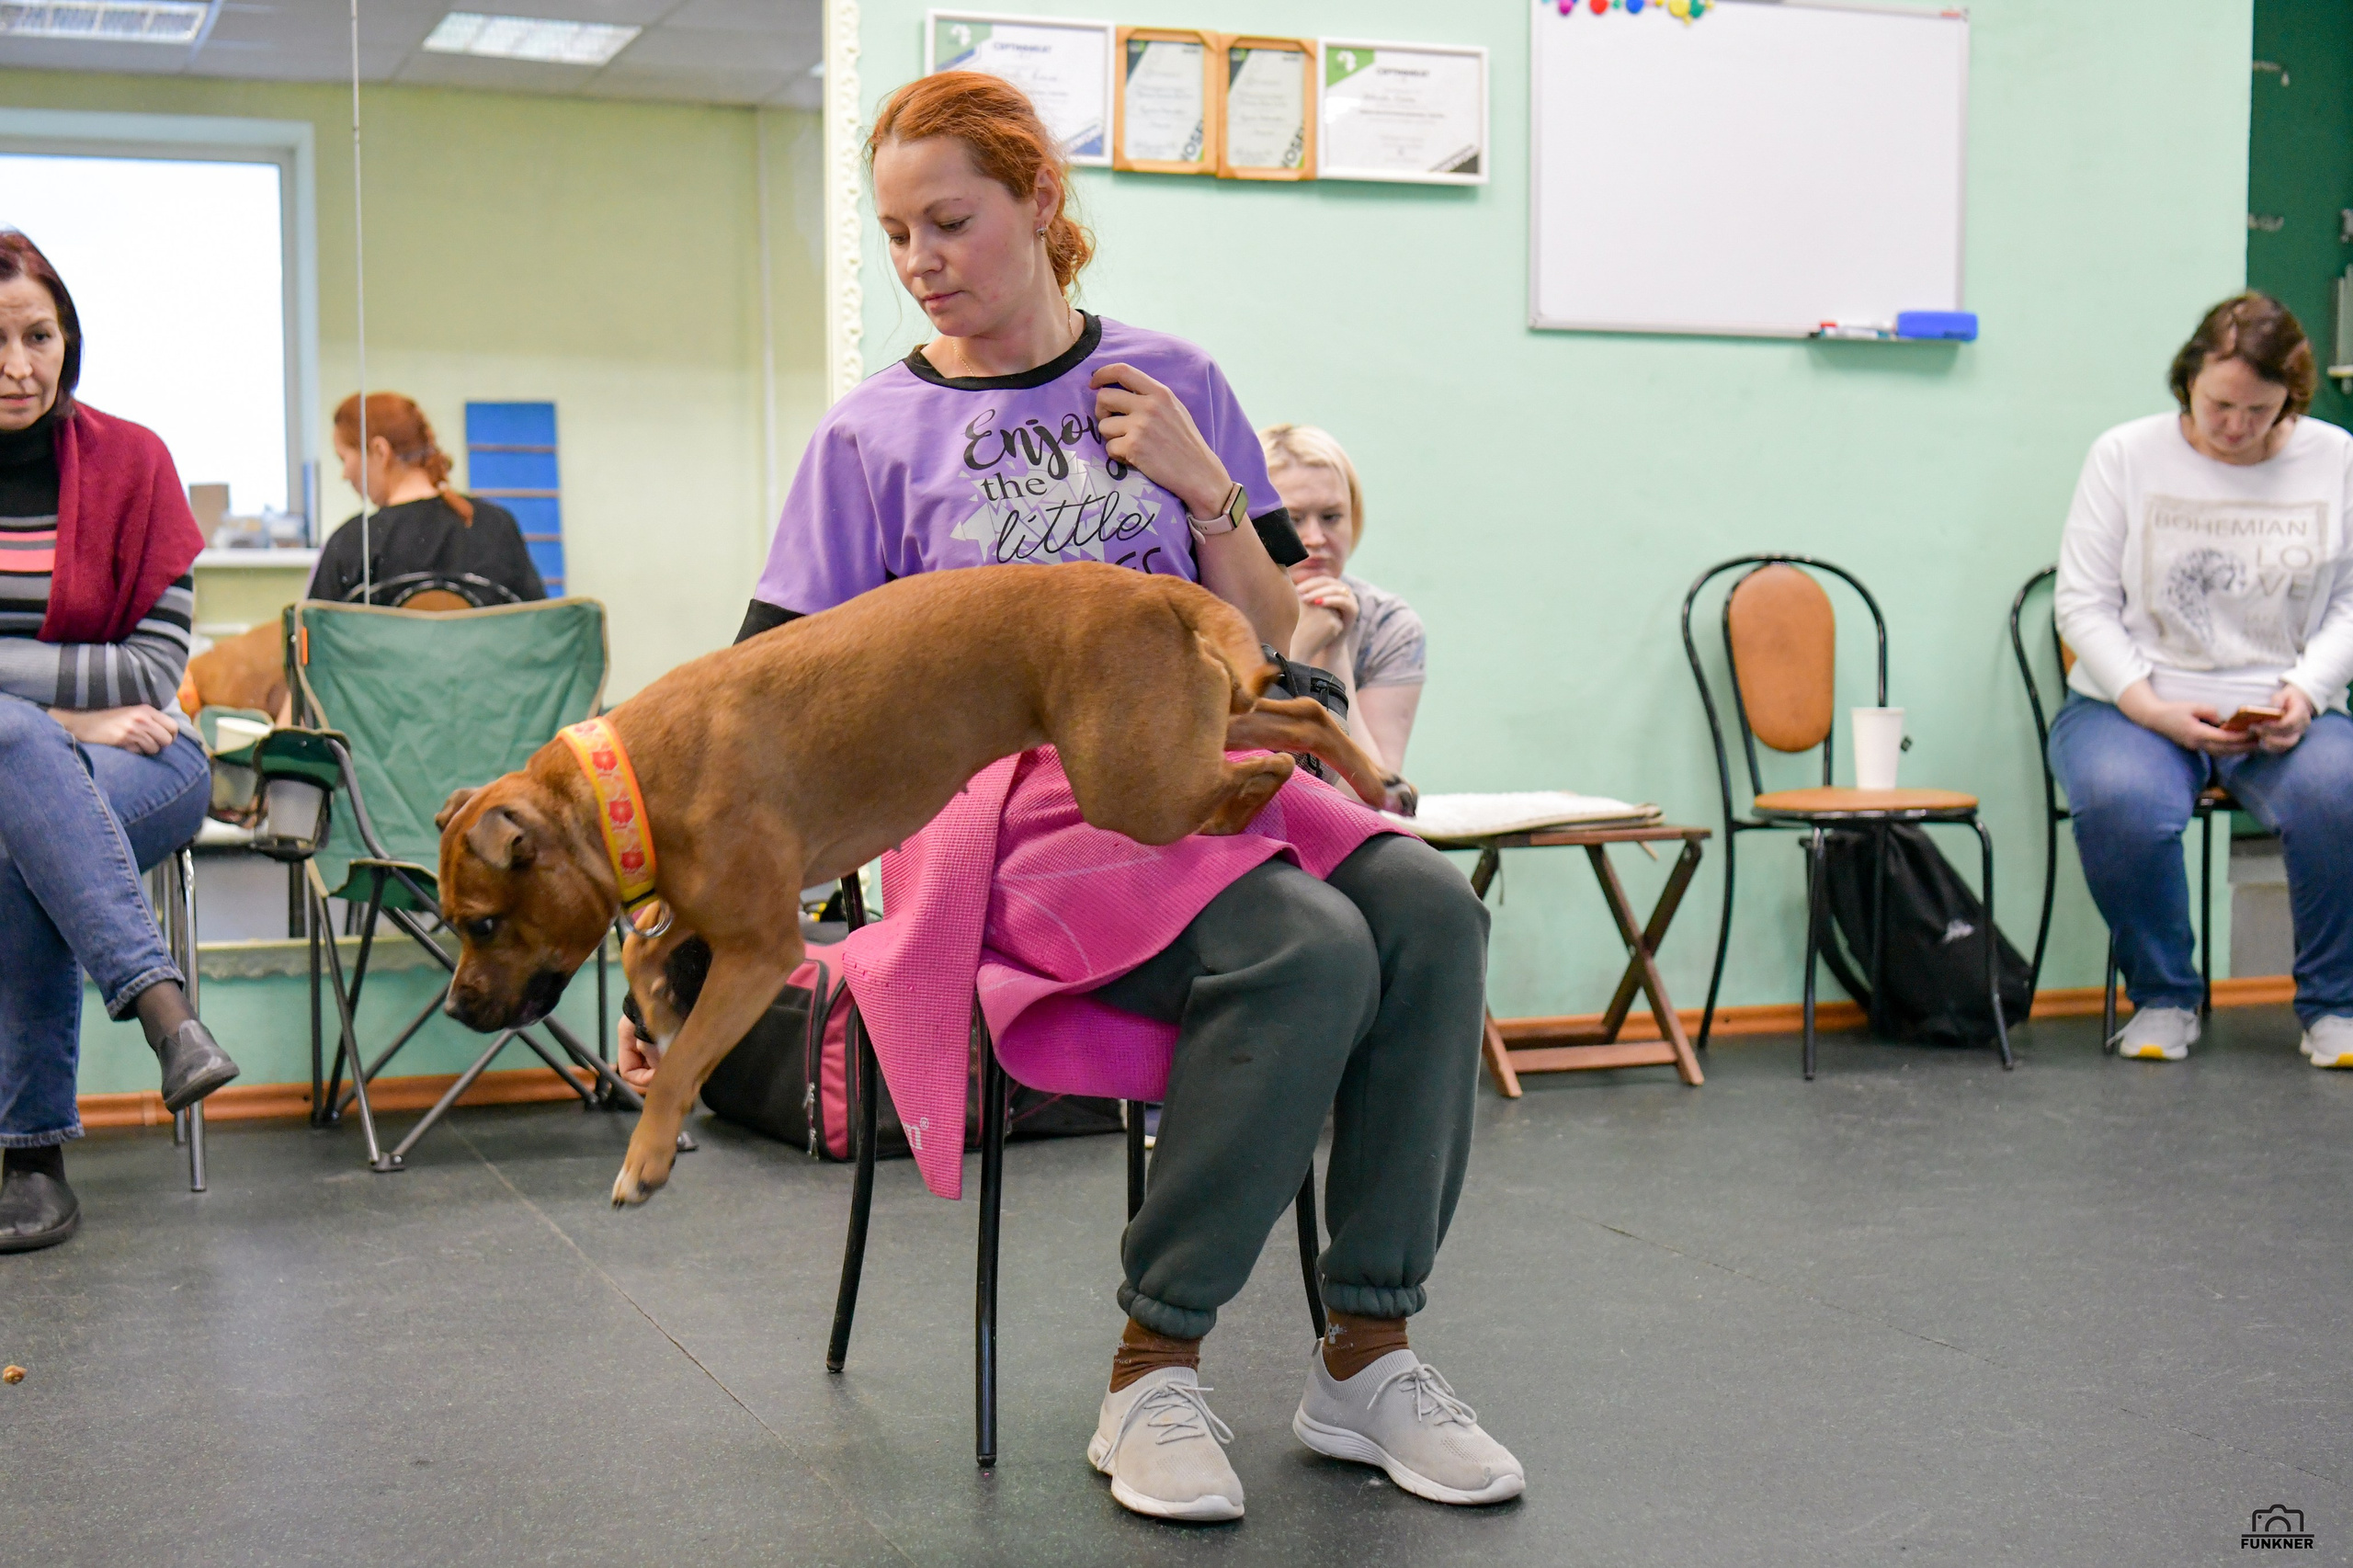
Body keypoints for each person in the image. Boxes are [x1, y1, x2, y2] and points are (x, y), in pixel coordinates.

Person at [732, 73, 1520, 1522]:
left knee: (1425, 909)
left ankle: (1368, 1349)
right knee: (1306, 943)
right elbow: (772, 686)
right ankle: (1154, 1363)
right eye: (898, 231)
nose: (922, 260)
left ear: (1039, 202)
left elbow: (1281, 636)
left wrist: (1206, 486)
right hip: (1006, 811)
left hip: (1210, 756)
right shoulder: (869, 436)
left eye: (951, 221)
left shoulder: (1171, 379)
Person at [0, 230, 241, 1253]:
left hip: (146, 757)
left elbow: (152, 672)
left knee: (16, 792)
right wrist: (58, 716)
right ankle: (166, 1013)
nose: (18, 367)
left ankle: (31, 1158)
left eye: (38, 335)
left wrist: (40, 716)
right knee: (16, 777)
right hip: (46, 759)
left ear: (70, 337)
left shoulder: (135, 462)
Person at [2052, 291, 2353, 1065]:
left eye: (2261, 411)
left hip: (2281, 706)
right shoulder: (2124, 454)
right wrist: (2149, 707)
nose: (2235, 427)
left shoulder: (2336, 458)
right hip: (2133, 702)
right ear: (2188, 380)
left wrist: (2309, 691)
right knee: (2121, 802)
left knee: (2338, 793)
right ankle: (2163, 998)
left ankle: (2334, 1008)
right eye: (2220, 404)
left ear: (2292, 398)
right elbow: (2082, 605)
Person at [1263, 423, 1426, 807]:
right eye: (1294, 518)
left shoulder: (1389, 626)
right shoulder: (1222, 606)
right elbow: (1242, 768)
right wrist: (1298, 646)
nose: (1316, 538)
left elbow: (1373, 798)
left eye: (1332, 517)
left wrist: (1334, 650)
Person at [309, 392, 544, 607]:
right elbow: (539, 628)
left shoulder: (352, 543)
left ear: (380, 451)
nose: (344, 475)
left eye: (343, 459)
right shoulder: (496, 526)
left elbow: (317, 644)